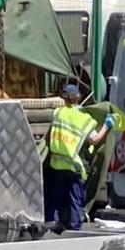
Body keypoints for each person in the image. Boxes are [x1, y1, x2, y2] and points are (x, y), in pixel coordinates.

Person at [46, 84, 112, 231]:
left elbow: (50, 135)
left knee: (55, 200)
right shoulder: (84, 118)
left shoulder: (58, 113)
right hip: (74, 166)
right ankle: (75, 229)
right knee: (75, 201)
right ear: (78, 97)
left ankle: (52, 227)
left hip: (56, 164)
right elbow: (94, 140)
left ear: (64, 98)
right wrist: (107, 125)